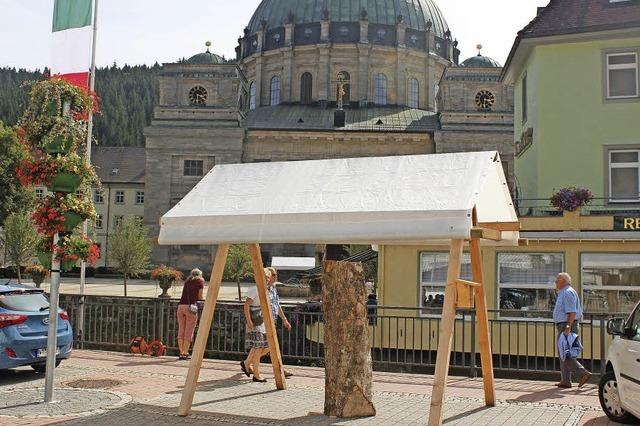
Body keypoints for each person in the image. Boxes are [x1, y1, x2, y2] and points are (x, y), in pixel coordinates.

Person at [241, 267, 292, 382]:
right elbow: (246, 305)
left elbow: (274, 305)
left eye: (268, 277)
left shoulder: (267, 289)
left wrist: (284, 319)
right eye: (266, 277)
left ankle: (249, 365)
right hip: (257, 322)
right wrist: (249, 321)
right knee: (259, 347)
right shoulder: (255, 289)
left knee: (263, 347)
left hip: (263, 322)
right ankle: (256, 373)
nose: (268, 279)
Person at [553, 272, 591, 388]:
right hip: (565, 324)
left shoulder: (568, 293)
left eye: (557, 279)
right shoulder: (564, 292)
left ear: (564, 281)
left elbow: (572, 312)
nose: (555, 281)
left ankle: (582, 373)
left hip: (567, 324)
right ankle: (565, 380)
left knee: (565, 351)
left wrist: (568, 328)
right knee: (564, 351)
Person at [176, 268, 205, 360]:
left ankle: (181, 352)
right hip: (190, 308)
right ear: (200, 274)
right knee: (189, 331)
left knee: (181, 330)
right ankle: (185, 353)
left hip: (180, 307)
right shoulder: (200, 281)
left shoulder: (187, 281)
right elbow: (200, 296)